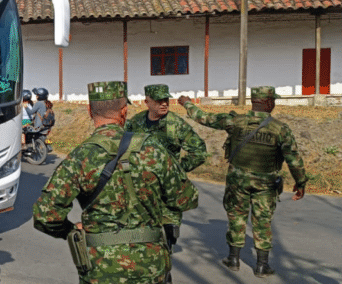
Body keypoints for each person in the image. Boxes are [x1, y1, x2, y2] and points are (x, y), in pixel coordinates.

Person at [33, 81, 199, 284]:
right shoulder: (153, 149)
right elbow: (186, 199)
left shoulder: (79, 157)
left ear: (89, 111)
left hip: (100, 269)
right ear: (124, 111)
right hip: (150, 266)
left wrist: (71, 231)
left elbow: (45, 216)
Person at [178, 86, 308, 277]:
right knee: (262, 220)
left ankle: (233, 259)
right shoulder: (280, 129)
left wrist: (187, 103)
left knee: (236, 216)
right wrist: (301, 182)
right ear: (269, 103)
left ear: (255, 102)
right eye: (273, 101)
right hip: (266, 184)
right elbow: (294, 159)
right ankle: (262, 266)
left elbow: (204, 118)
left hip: (237, 180)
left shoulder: (235, 121)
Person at [124, 84, 207, 251]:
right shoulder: (136, 123)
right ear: (147, 102)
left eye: (166, 100)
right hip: (142, 186)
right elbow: (122, 147)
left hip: (169, 186)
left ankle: (166, 255)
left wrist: (177, 169)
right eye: (159, 101)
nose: (164, 104)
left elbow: (199, 152)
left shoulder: (175, 124)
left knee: (169, 231)